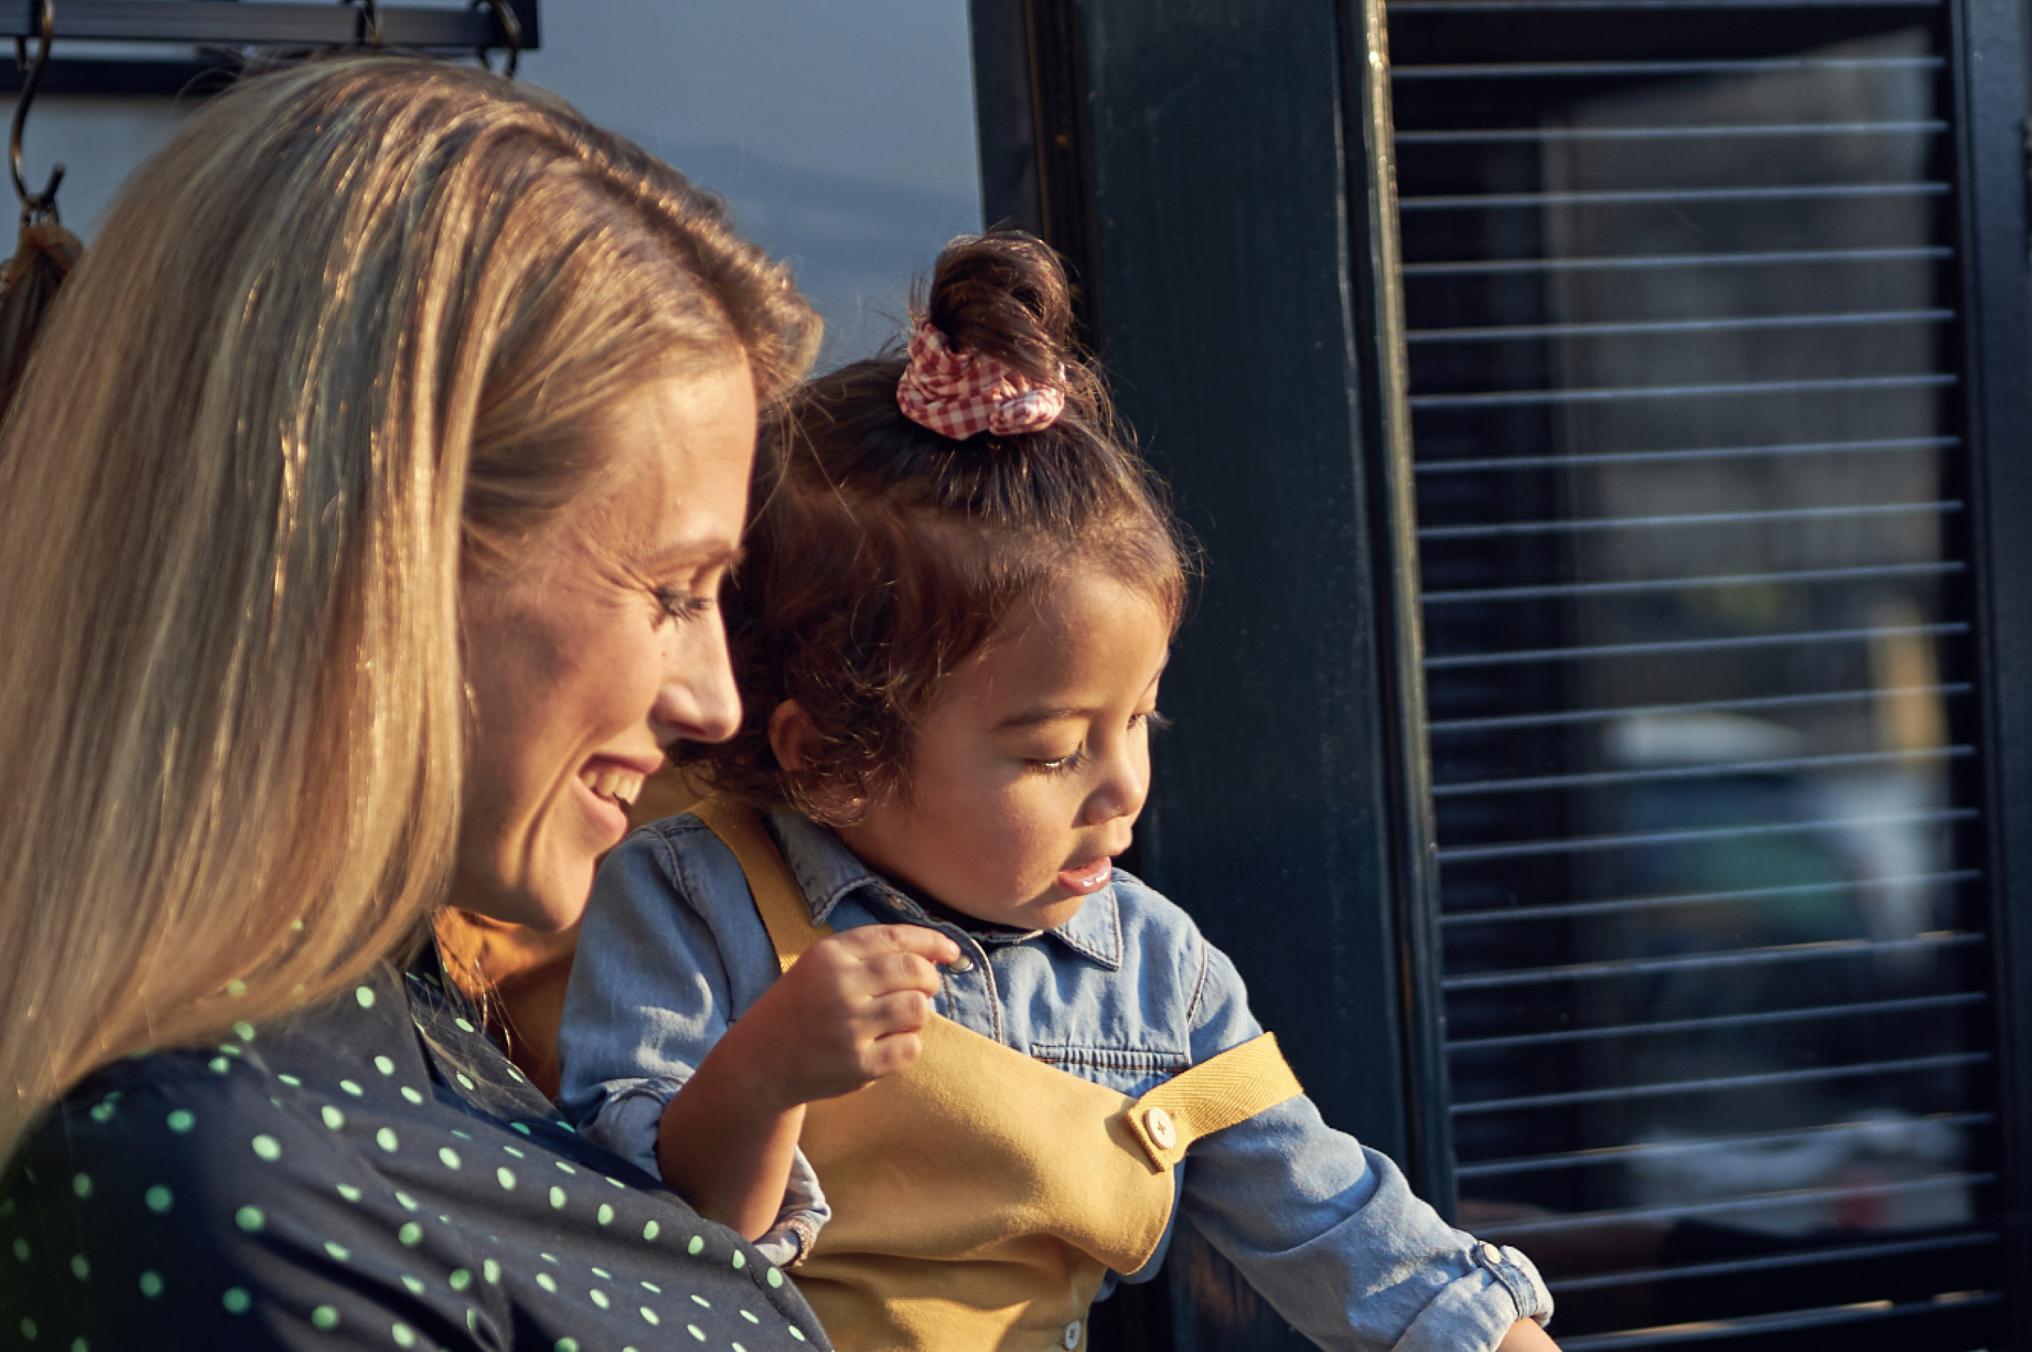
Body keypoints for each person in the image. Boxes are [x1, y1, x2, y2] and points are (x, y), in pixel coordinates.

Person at [0, 55, 829, 1351]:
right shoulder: (213, 1184)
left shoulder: (371, 1052)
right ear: (378, 564)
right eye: (672, 588)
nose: (716, 701)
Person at [555, 232, 1562, 1352]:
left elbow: (1336, 1224)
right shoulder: (688, 900)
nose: (1123, 785)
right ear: (828, 749)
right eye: (1048, 752)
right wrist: (766, 1068)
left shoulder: (1157, 974)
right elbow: (644, 1266)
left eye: (1140, 718)